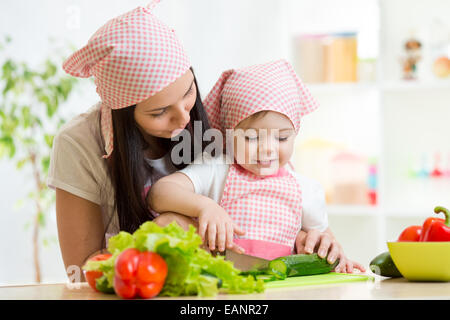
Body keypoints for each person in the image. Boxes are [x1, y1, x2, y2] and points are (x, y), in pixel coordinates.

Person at [149, 60, 365, 273]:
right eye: (251, 138)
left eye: (281, 138)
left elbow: (325, 239)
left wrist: (338, 255)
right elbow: (159, 193)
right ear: (229, 135)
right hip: (219, 274)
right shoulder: (217, 168)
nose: (267, 149)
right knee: (168, 221)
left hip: (282, 283)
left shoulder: (306, 189)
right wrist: (205, 207)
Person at [47, 2, 212, 281]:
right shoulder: (78, 144)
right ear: (122, 113)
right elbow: (80, 272)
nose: (183, 118)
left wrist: (308, 231)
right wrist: (155, 238)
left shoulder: (212, 115)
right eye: (159, 112)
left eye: (188, 92)